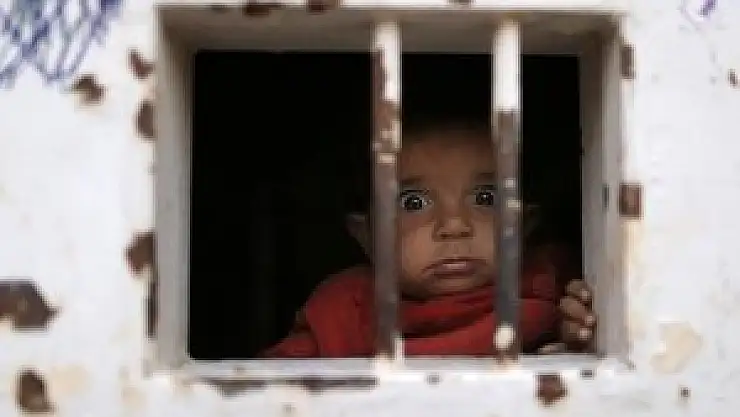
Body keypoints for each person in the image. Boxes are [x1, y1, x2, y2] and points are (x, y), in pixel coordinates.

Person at [263, 120, 595, 358]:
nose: (454, 226)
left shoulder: (554, 286)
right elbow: (272, 392)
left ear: (525, 224)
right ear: (366, 236)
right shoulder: (342, 311)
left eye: (485, 198)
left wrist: (576, 345)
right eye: (413, 203)